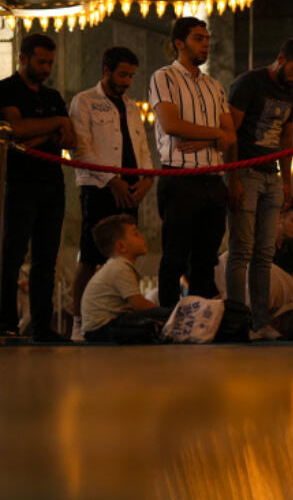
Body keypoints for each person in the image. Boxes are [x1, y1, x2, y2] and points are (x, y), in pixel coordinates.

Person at [225, 37, 293, 339]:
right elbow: (231, 134)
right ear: (280, 58)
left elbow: (287, 137)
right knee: (241, 251)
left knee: (264, 253)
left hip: (271, 174)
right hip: (246, 172)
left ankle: (260, 322)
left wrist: (288, 180)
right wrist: (233, 178)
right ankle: (236, 320)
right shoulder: (249, 83)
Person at [67, 46, 154, 342]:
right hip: (98, 187)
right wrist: (111, 180)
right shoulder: (85, 102)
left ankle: (117, 313)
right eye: (122, 74)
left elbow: (142, 148)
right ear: (106, 70)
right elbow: (81, 149)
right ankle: (79, 321)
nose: (127, 81)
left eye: (131, 75)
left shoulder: (131, 107)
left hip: (131, 187)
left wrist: (146, 180)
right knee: (89, 255)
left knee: (125, 251)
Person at [149, 16, 236, 308]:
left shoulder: (215, 86)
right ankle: (168, 319)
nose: (206, 44)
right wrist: (215, 135)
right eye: (199, 38)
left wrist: (211, 138)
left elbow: (231, 136)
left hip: (213, 180)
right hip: (180, 177)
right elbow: (172, 124)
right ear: (179, 43)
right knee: (174, 256)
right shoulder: (164, 77)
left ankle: (201, 323)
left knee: (206, 257)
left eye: (207, 39)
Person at [1, 33, 77, 341]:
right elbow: (15, 130)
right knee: (12, 255)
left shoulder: (53, 97)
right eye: (41, 61)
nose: (46, 68)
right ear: (23, 59)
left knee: (47, 259)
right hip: (18, 184)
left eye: (50, 62)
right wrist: (55, 125)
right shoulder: (6, 90)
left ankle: (41, 326)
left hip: (51, 184)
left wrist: (40, 132)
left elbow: (70, 139)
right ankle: (6, 322)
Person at [80, 214, 169, 342]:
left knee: (151, 322)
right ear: (121, 246)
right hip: (102, 329)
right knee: (157, 321)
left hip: (104, 327)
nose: (142, 237)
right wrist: (168, 314)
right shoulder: (120, 267)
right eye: (136, 234)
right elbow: (139, 304)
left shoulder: (118, 265)